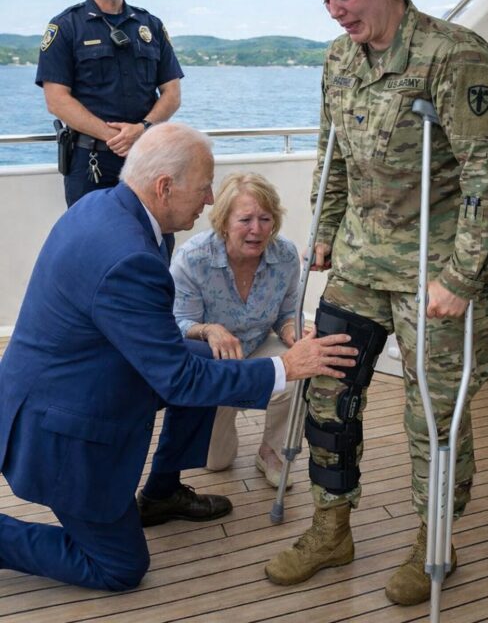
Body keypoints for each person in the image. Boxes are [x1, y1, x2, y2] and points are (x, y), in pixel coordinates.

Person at [264, 0, 488, 604]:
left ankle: (433, 541)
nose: (334, 10)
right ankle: (330, 528)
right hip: (359, 260)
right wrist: (323, 230)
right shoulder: (337, 60)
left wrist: (461, 278)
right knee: (326, 389)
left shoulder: (453, 56)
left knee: (429, 413)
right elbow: (332, 156)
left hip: (435, 270)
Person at [0, 122, 357, 591]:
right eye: (204, 186)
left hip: (79, 370)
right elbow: (179, 380)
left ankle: (162, 492)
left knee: (206, 354)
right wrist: (285, 367)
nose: (209, 199)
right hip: (62, 423)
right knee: (119, 567)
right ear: (164, 187)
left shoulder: (103, 207)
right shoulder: (128, 256)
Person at [141, 173, 299, 507]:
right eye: (245, 220)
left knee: (298, 371)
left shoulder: (285, 255)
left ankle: (271, 451)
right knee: (217, 462)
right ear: (224, 221)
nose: (256, 229)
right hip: (215, 362)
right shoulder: (194, 258)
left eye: (265, 219)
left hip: (257, 346)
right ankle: (227, 419)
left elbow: (287, 313)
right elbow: (176, 323)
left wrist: (291, 331)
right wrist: (209, 329)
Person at [35, 0, 182, 208]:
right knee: (93, 233)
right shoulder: (66, 27)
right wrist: (113, 137)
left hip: (147, 158)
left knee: (151, 232)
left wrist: (143, 129)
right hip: (91, 163)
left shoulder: (150, 25)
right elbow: (56, 100)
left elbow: (172, 93)